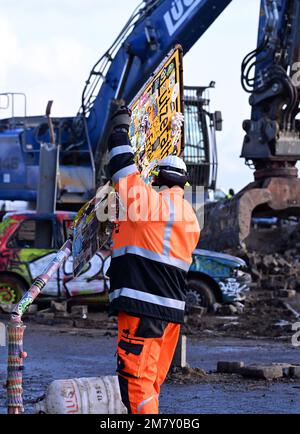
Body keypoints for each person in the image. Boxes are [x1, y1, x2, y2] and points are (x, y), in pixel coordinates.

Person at [107, 106, 200, 414]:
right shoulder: (190, 219)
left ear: (157, 178)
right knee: (151, 381)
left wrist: (120, 128)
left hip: (143, 308)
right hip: (171, 313)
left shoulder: (148, 204)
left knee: (136, 380)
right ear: (184, 184)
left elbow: (121, 165)